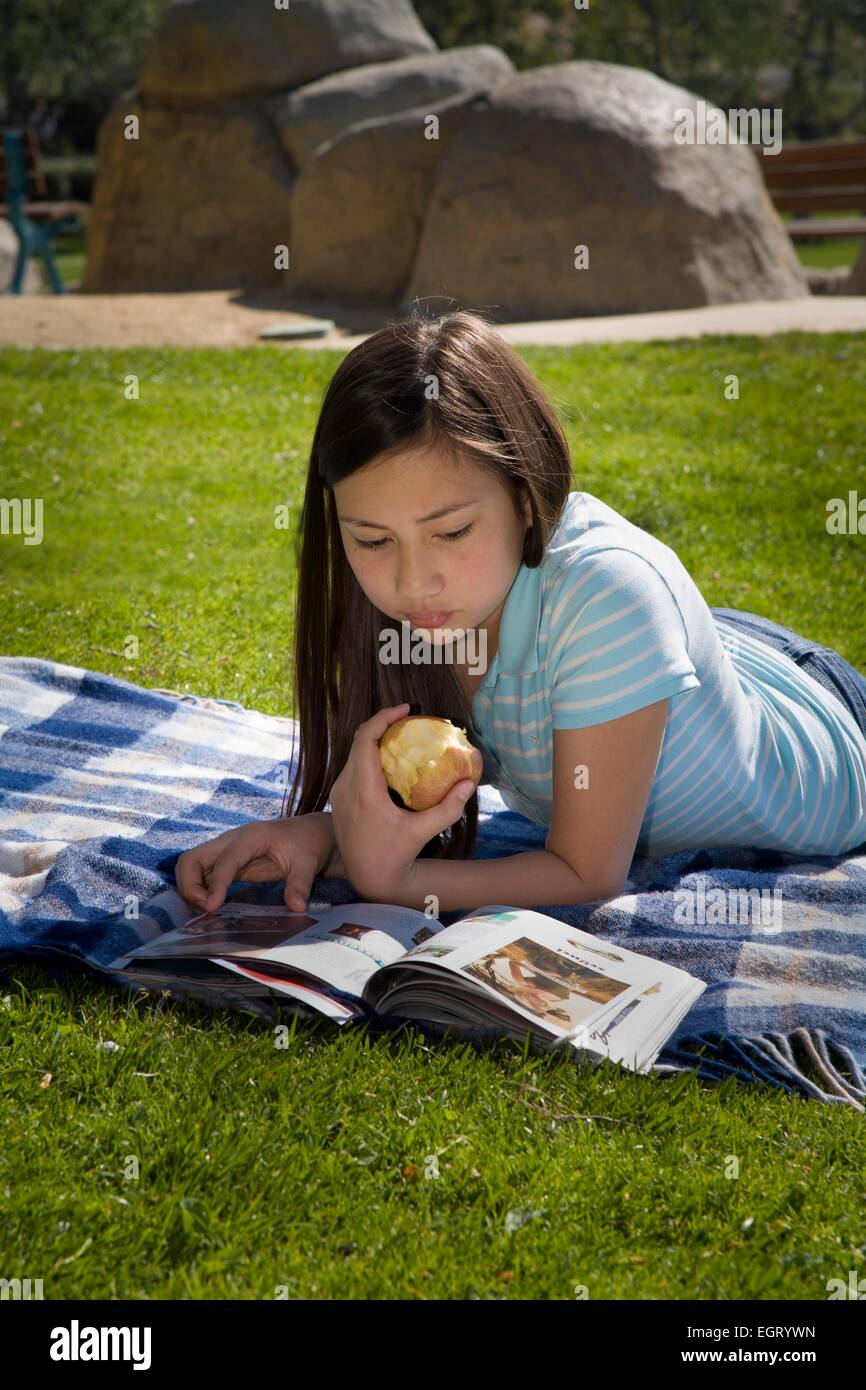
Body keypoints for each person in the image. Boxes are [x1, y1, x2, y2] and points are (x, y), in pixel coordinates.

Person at [175, 309, 866, 917]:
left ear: (527, 498)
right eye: (372, 539)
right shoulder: (434, 605)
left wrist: (392, 882)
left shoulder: (608, 602)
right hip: (698, 657)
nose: (415, 583)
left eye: (450, 532)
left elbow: (586, 873)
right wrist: (324, 836)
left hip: (821, 711)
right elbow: (427, 791)